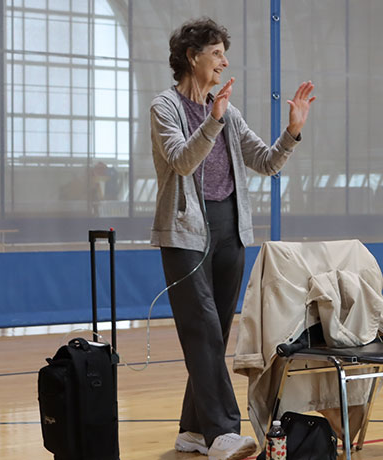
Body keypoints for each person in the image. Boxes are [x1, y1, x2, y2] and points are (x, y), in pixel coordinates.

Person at [149, 17, 315, 460]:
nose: (224, 61)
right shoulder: (164, 108)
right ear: (192, 56)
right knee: (201, 327)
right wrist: (212, 120)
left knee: (214, 332)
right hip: (184, 234)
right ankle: (223, 431)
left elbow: (265, 162)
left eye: (225, 52)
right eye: (217, 52)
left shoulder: (229, 112)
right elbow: (183, 162)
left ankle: (192, 430)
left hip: (229, 232)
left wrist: (292, 132)